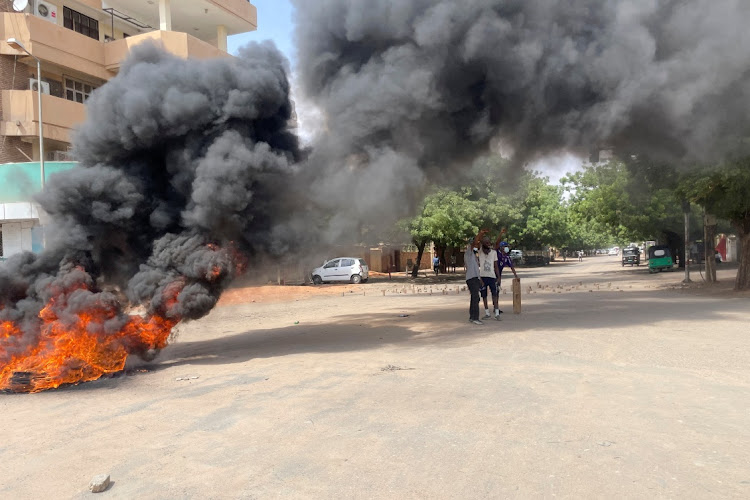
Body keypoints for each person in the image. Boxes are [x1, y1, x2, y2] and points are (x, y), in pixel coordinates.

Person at [464, 230, 485, 325]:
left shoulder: (474, 255)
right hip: (471, 278)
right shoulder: (468, 251)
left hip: (475, 277)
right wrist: (480, 234)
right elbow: (474, 243)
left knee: (475, 297)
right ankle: (475, 317)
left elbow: (476, 268)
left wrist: (480, 279)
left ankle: (472, 316)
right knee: (475, 296)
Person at [478, 233, 501, 320]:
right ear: (483, 244)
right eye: (486, 243)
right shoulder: (480, 251)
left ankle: (497, 313)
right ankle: (487, 313)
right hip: (483, 276)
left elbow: (496, 266)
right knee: (484, 295)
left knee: (494, 294)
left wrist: (498, 277)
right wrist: (481, 233)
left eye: (489, 243)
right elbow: (477, 241)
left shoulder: (494, 253)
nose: (488, 244)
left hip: (492, 276)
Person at [495, 240, 519, 314]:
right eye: (505, 247)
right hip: (492, 274)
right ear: (501, 247)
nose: (506, 248)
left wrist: (516, 276)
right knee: (494, 291)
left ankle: (496, 307)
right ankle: (495, 307)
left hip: (499, 275)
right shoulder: (497, 253)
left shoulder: (507, 257)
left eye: (507, 247)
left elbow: (512, 267)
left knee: (497, 291)